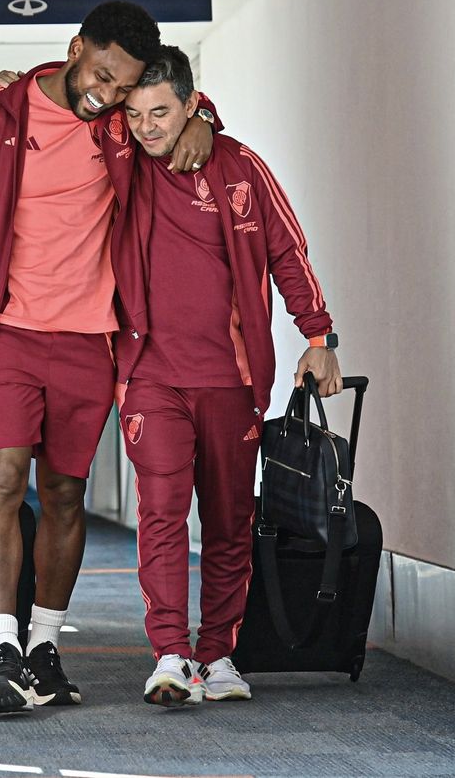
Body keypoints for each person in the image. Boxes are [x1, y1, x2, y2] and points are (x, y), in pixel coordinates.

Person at [0, 0, 214, 714]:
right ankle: (2, 649)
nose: (107, 94)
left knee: (63, 494)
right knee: (1, 477)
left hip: (89, 339)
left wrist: (206, 119)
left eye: (120, 86)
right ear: (75, 47)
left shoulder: (117, 125)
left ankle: (45, 647)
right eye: (101, 74)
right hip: (2, 334)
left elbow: (169, 113)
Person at [112, 46, 342, 706]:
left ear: (190, 103)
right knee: (159, 512)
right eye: (135, 114)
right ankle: (170, 654)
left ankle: (217, 655)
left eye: (162, 111)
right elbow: (75, 106)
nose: (147, 127)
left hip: (233, 379)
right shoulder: (123, 162)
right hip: (149, 374)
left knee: (229, 519)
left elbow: (287, 254)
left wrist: (319, 336)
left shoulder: (238, 167)